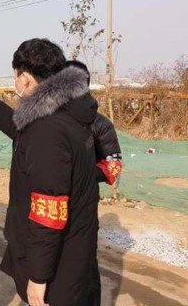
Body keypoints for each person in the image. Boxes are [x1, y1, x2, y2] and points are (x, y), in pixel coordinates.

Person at [0, 39, 99, 306]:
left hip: (59, 269)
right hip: (75, 252)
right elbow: (23, 132)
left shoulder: (47, 130)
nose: (15, 82)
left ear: (26, 77)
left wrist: (39, 278)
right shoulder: (63, 112)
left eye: (16, 76)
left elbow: (49, 211)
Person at [66, 59, 123, 306]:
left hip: (84, 208)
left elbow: (113, 166)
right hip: (49, 206)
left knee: (86, 268)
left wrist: (80, 173)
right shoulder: (48, 121)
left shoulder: (100, 125)